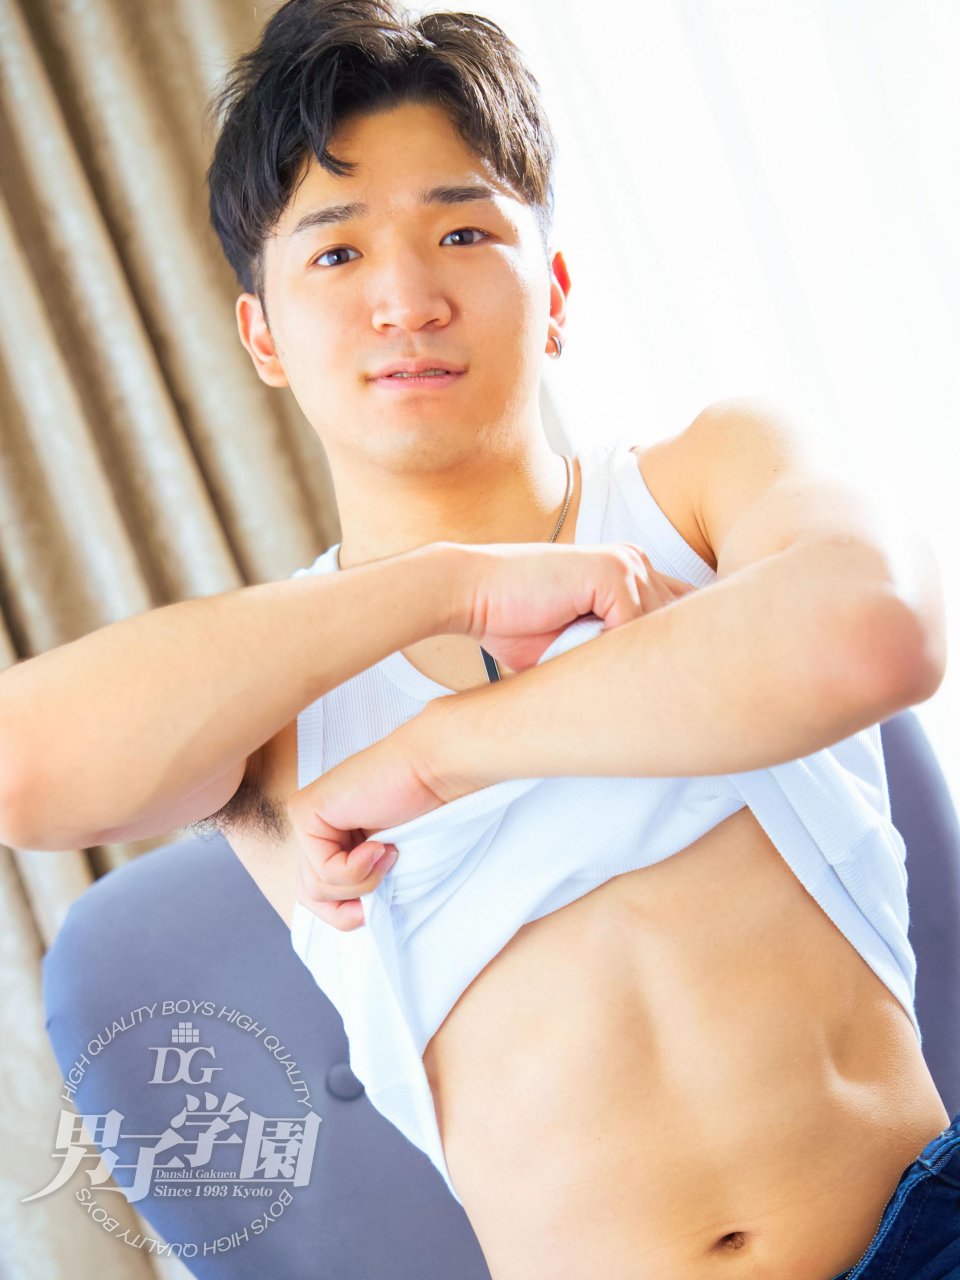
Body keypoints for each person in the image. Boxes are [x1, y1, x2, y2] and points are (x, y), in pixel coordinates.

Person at [7, 2, 957, 1277]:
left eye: (463, 232)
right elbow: (21, 768)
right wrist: (447, 588)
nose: (406, 299)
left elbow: (873, 632)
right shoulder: (276, 696)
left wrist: (440, 751)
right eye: (337, 254)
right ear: (264, 336)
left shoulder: (701, 489)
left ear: (552, 292)